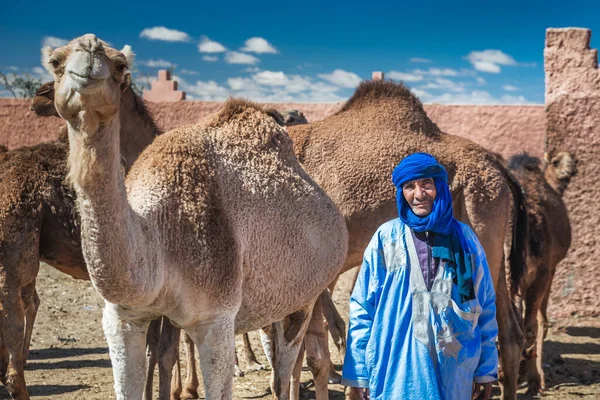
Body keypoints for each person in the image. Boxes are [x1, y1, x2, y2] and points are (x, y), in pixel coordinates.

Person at [341, 153, 498, 400]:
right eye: (409, 186)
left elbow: (484, 304)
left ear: (441, 188)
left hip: (455, 370)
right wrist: (358, 372)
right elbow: (362, 307)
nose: (418, 194)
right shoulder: (387, 238)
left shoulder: (465, 239)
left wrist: (486, 369)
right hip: (396, 369)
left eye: (427, 184)